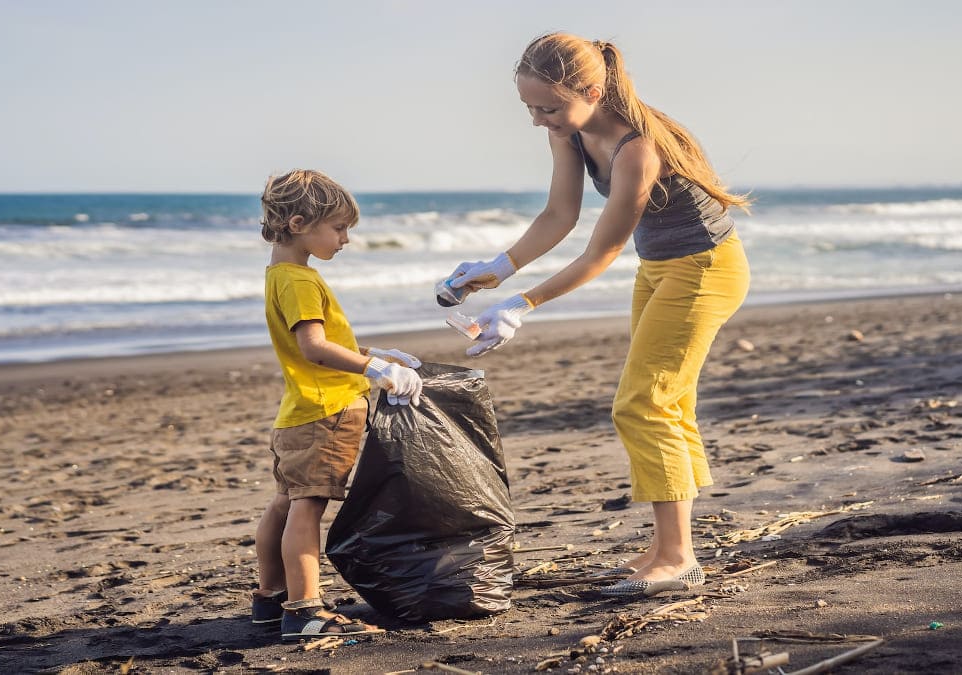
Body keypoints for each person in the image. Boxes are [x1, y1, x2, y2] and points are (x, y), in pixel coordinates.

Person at [439, 33, 751, 599]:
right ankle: (667, 547)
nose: (539, 120)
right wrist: (499, 268)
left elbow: (601, 250)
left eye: (549, 107)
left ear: (591, 89)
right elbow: (560, 214)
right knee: (667, 401)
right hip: (660, 267)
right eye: (530, 107)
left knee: (643, 402)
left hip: (706, 268)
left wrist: (522, 304)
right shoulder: (571, 130)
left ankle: (678, 557)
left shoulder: (638, 147)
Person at [252, 169, 422, 640]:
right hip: (326, 413)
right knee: (307, 509)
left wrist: (375, 355)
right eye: (340, 228)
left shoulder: (281, 275)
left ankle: (269, 599)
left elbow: (327, 345)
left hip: (298, 412)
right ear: (300, 223)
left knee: (285, 504)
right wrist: (374, 372)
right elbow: (314, 347)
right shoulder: (301, 280)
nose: (346, 239)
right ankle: (305, 610)